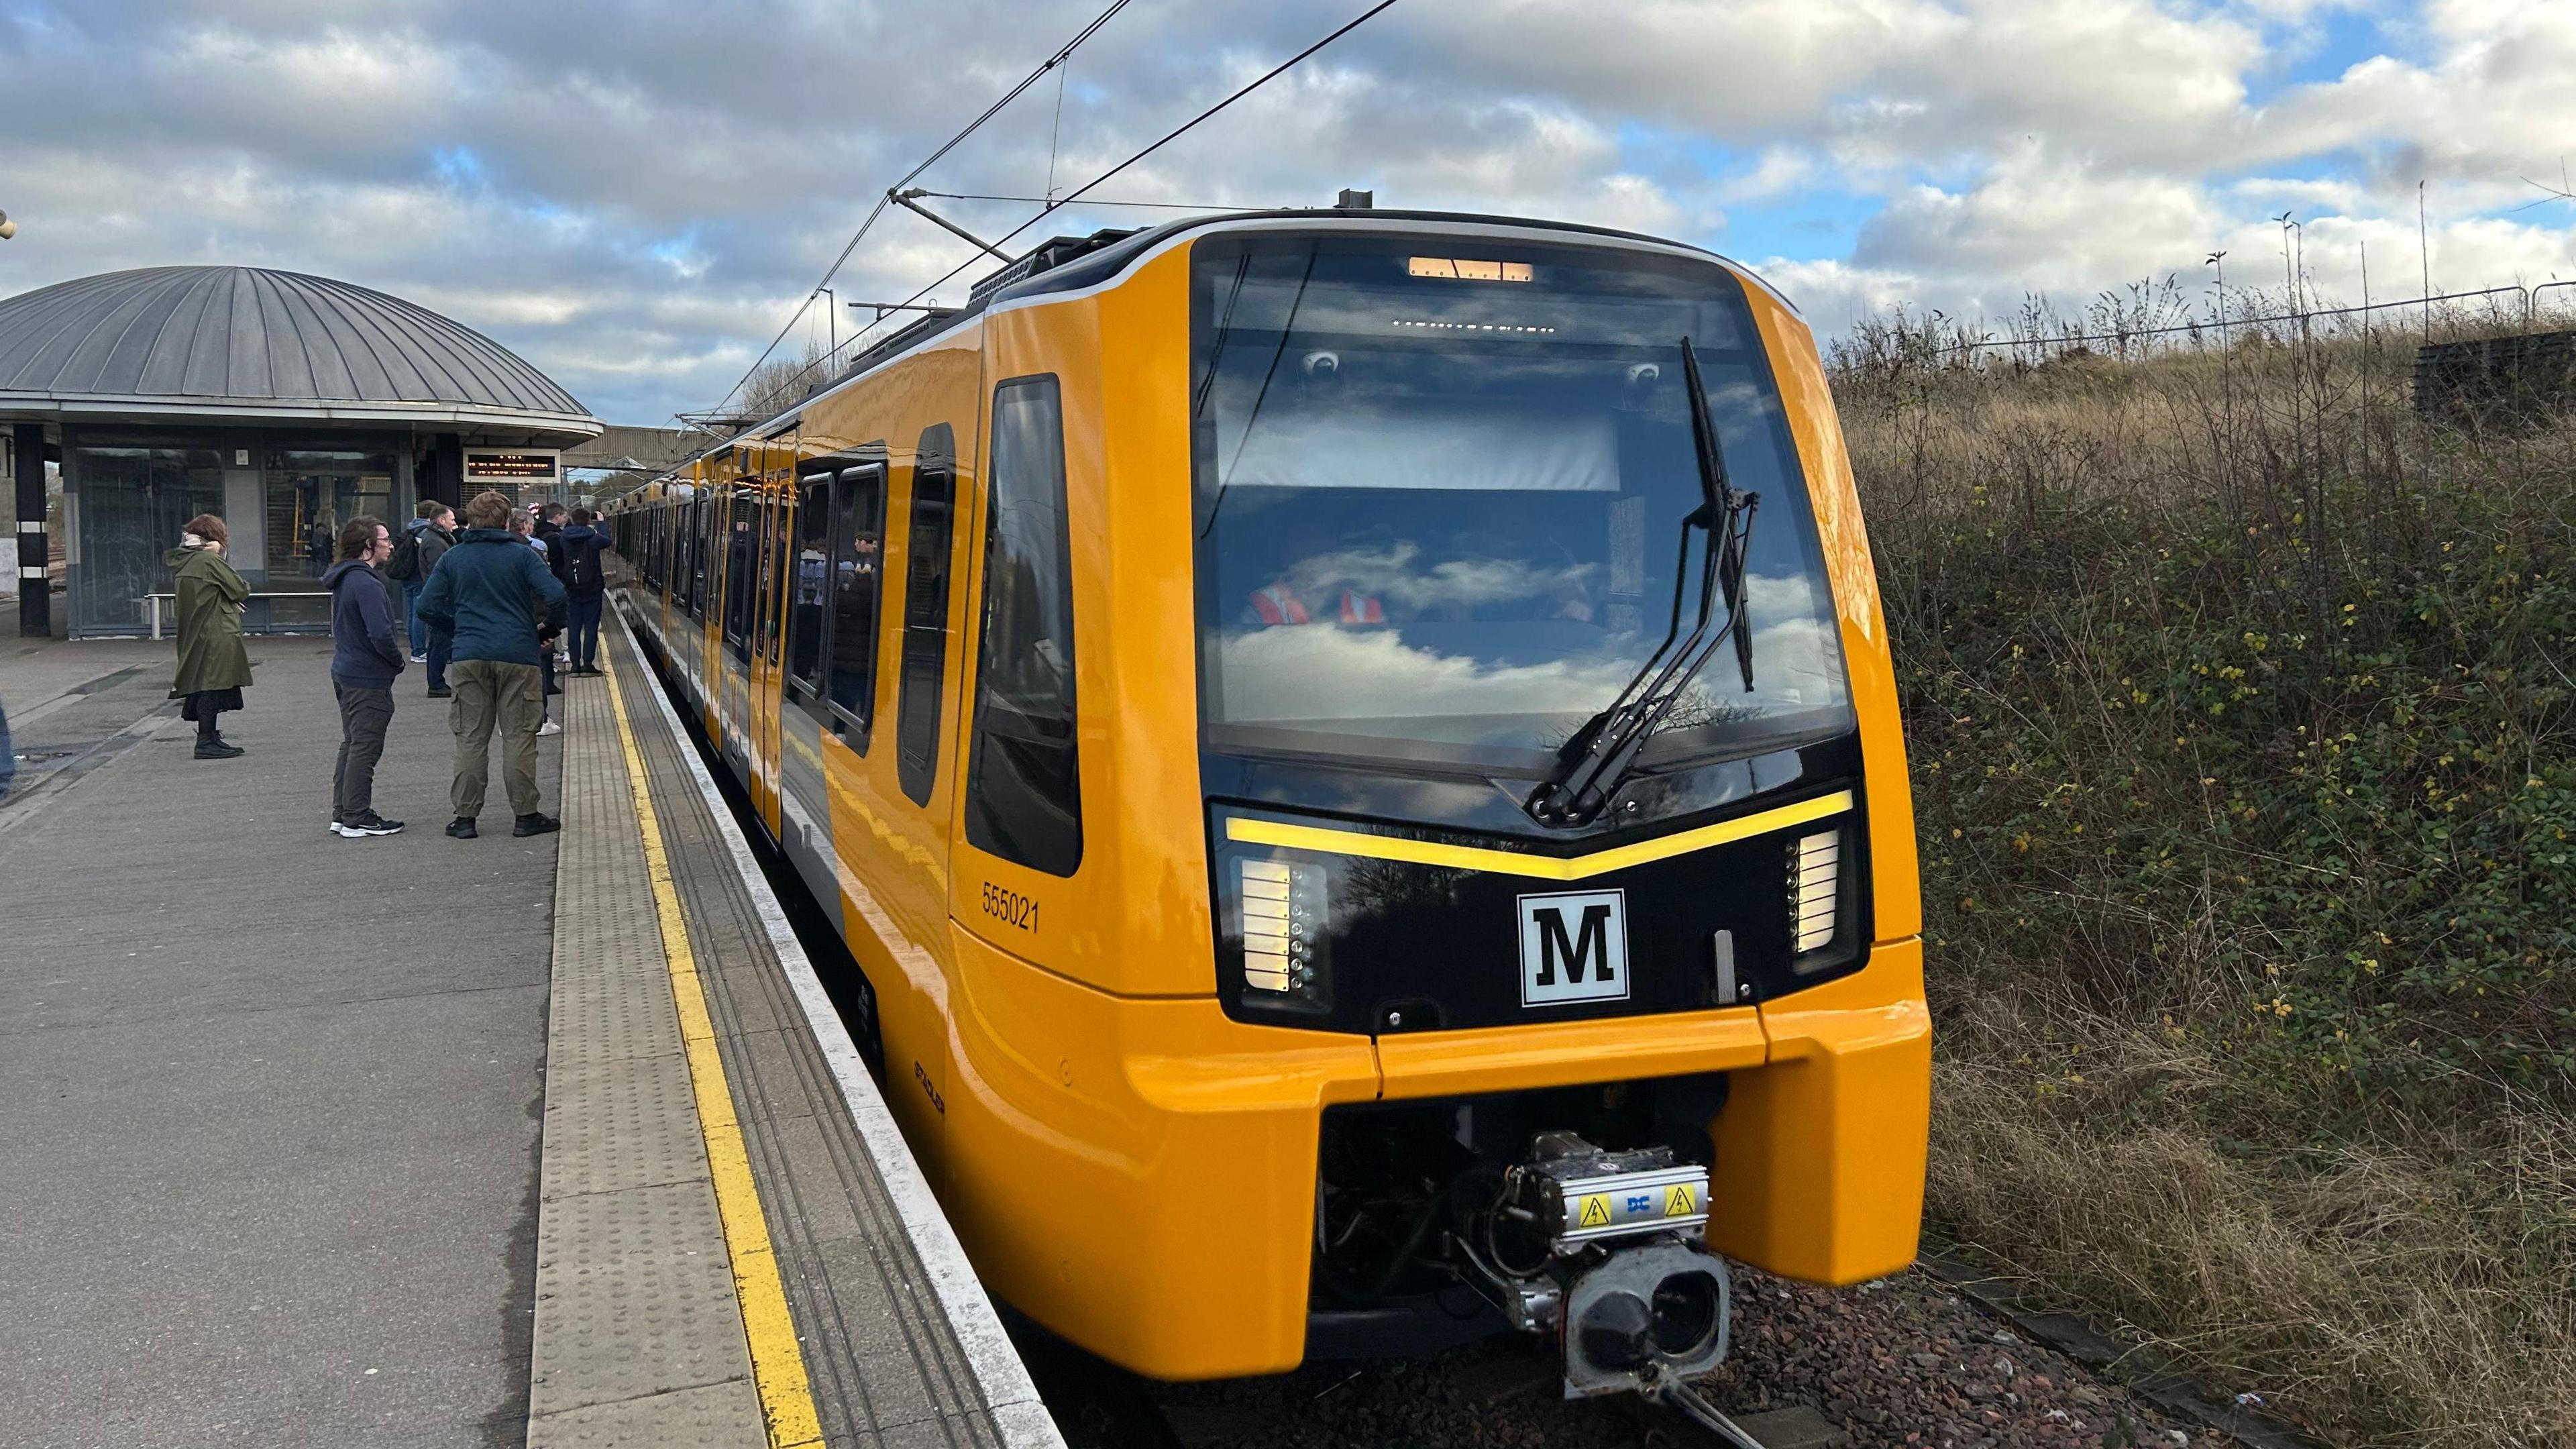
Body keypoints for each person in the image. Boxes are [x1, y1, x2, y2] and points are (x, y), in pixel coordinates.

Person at [415, 490, 567, 839]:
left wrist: (459, 629)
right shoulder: (523, 556)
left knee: (471, 737)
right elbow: (557, 595)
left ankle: (465, 819)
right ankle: (526, 816)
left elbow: (426, 607)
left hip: (470, 656)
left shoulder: (454, 558)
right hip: (519, 654)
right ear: (504, 522)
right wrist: (547, 629)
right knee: (518, 737)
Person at [321, 517, 407, 837]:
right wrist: (396, 661)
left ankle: (343, 812)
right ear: (369, 546)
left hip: (346, 670)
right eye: (384, 540)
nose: (390, 545)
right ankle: (357, 816)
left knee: (353, 743)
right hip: (367, 677)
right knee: (365, 747)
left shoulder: (344, 579)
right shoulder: (367, 583)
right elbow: (381, 633)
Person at [168, 514, 254, 759]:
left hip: (197, 630)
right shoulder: (207, 561)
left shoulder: (185, 561)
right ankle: (206, 740)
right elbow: (240, 588)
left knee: (205, 681)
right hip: (215, 631)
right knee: (213, 684)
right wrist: (219, 555)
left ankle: (210, 736)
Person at [390, 500, 457, 678]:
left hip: (408, 576)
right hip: (421, 578)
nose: (454, 524)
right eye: (451, 519)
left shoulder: (411, 529)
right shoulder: (429, 534)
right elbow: (436, 565)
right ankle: (419, 650)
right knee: (421, 616)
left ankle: (416, 649)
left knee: (412, 613)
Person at [514, 511, 564, 736]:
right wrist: (552, 628)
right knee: (538, 673)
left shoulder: (465, 555)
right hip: (534, 626)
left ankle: (512, 721)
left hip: (497, 635)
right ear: (524, 525)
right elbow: (555, 595)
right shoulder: (532, 552)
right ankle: (540, 720)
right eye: (531, 523)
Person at [556, 507, 608, 675]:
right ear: (588, 520)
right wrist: (601, 523)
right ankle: (588, 664)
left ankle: (575, 665)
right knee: (591, 628)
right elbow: (607, 540)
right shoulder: (594, 538)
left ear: (571, 519)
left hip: (571, 588)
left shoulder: (563, 538)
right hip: (593, 589)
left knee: (574, 628)